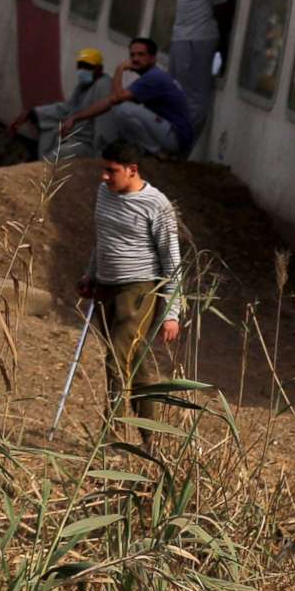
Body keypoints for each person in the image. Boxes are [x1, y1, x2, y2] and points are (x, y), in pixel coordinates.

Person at [80, 140, 184, 422]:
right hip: (106, 287)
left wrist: (172, 313)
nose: (104, 176)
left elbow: (172, 259)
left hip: (138, 291)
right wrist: (91, 274)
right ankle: (149, 435)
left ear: (132, 170)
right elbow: (104, 239)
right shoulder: (104, 192)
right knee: (133, 362)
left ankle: (109, 434)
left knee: (116, 359)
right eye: (103, 169)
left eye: (111, 171)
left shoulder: (156, 205)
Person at [59, 36, 194, 158]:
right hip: (170, 135)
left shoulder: (154, 77)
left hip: (175, 138)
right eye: (132, 55)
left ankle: (155, 152)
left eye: (141, 55)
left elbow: (116, 98)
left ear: (153, 58)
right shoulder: (150, 77)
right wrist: (75, 118)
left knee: (122, 109)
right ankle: (146, 151)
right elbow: (109, 101)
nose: (135, 59)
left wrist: (120, 69)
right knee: (121, 114)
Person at [166, 0, 230, 151]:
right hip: (182, 37)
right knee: (175, 92)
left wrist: (222, 42)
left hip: (198, 39)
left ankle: (179, 147)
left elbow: (220, 0)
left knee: (195, 100)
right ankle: (170, 142)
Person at [8, 47, 115, 159]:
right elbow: (66, 108)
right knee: (48, 135)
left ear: (99, 69)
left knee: (53, 158)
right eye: (80, 66)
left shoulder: (104, 86)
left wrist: (100, 155)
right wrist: (32, 113)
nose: (83, 70)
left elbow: (104, 127)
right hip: (71, 134)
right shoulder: (83, 86)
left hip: (87, 144)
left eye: (87, 67)